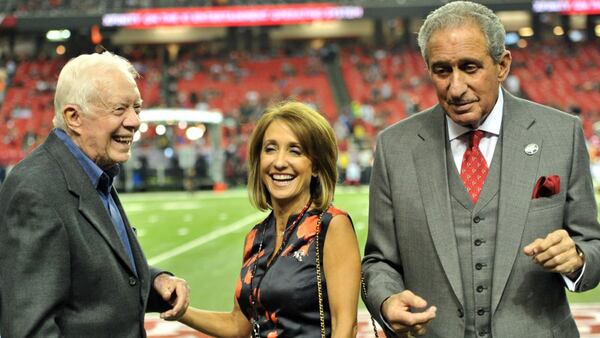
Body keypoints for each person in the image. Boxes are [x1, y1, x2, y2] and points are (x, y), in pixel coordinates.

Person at [361, 2, 600, 338]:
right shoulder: (394, 147)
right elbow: (378, 262)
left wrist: (576, 257)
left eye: (469, 68)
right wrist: (387, 300)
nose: (456, 88)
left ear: (502, 65)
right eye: (442, 70)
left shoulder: (560, 134)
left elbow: (593, 244)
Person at [0, 52, 190, 337]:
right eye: (119, 109)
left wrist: (154, 280)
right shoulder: (36, 190)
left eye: (136, 108)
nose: (135, 121)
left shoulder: (92, 171)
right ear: (74, 117)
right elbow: (31, 329)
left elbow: (90, 277)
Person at [179, 101, 361, 337]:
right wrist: (180, 310)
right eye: (270, 149)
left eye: (295, 151)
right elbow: (239, 325)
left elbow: (345, 326)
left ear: (315, 166)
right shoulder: (256, 236)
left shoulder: (331, 226)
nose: (279, 162)